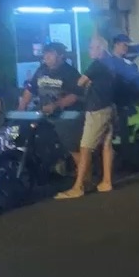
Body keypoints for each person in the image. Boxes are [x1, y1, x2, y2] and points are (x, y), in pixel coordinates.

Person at [56, 37, 116, 199]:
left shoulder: (96, 64)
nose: (89, 50)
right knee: (106, 145)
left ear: (100, 49)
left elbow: (80, 83)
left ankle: (78, 187)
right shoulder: (110, 63)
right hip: (109, 107)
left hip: (97, 110)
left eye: (92, 47)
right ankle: (106, 182)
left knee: (85, 147)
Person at [18, 42, 85, 175]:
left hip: (65, 115)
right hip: (43, 113)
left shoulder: (70, 72)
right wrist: (21, 108)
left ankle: (83, 176)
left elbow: (75, 95)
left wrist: (56, 105)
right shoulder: (41, 70)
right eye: (45, 54)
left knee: (71, 144)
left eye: (50, 54)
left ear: (61, 56)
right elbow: (30, 90)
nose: (46, 57)